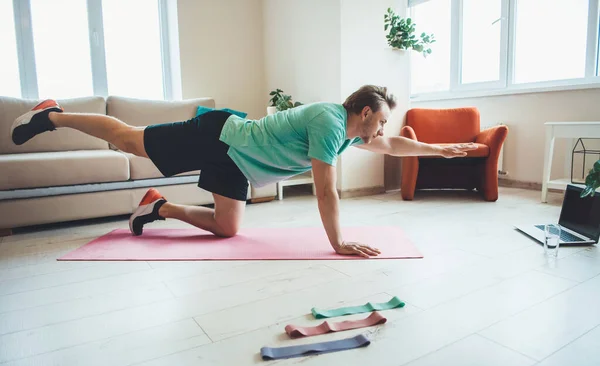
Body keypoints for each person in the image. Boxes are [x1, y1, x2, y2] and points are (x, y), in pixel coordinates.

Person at [10, 85, 476, 258]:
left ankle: (157, 205)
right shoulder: (329, 121)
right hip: (221, 136)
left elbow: (393, 145)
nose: (383, 128)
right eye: (381, 118)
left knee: (227, 229)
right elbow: (326, 190)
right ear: (366, 109)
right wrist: (336, 243)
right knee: (130, 137)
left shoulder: (354, 132)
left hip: (235, 161)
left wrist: (440, 149)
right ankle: (52, 114)